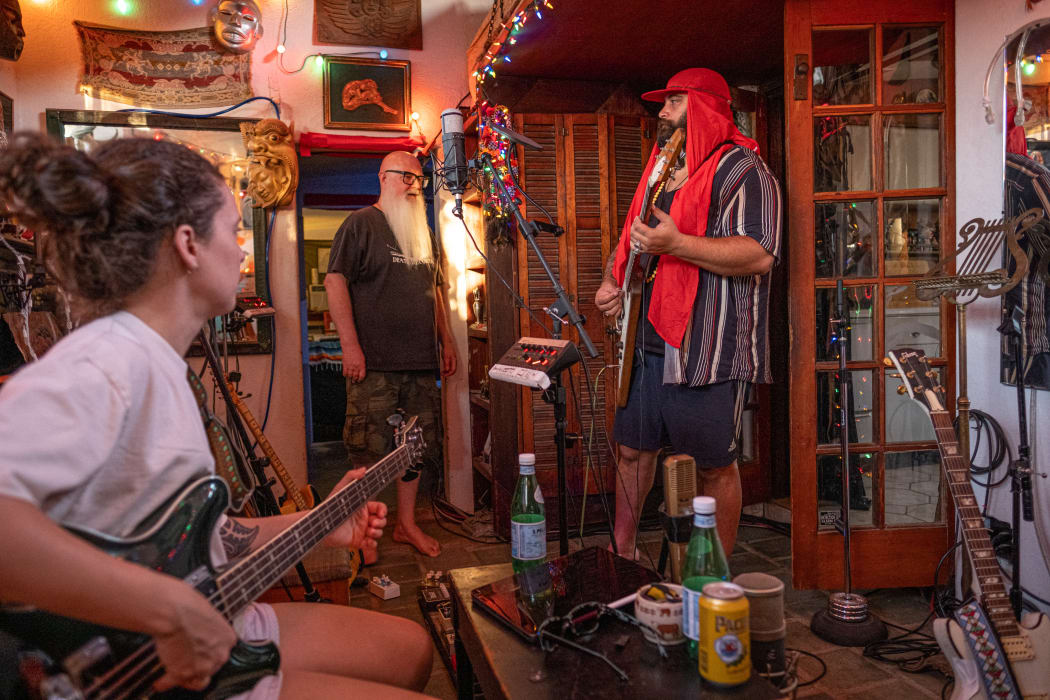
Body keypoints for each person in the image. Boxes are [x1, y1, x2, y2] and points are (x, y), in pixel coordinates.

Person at [0, 134, 434, 699]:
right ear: (188, 245)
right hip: (148, 664)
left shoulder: (163, 364)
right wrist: (167, 610)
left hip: (218, 622)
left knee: (411, 649)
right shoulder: (108, 360)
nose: (241, 252)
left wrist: (320, 523)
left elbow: (208, 539)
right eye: (233, 231)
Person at [594, 68, 782, 558]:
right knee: (634, 451)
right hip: (646, 336)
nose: (662, 112)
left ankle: (712, 581)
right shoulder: (659, 171)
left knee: (711, 466)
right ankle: (624, 555)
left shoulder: (743, 170)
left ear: (704, 108)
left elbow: (760, 253)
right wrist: (615, 282)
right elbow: (637, 242)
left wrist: (677, 243)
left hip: (706, 344)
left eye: (673, 102)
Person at [324, 151, 456, 558]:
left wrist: (446, 341)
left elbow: (435, 292)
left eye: (419, 180)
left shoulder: (423, 233)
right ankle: (362, 535)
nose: (414, 186)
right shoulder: (361, 223)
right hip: (374, 364)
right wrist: (350, 346)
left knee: (412, 450)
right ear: (383, 178)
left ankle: (407, 525)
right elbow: (334, 282)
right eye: (406, 177)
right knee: (367, 452)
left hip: (420, 363)